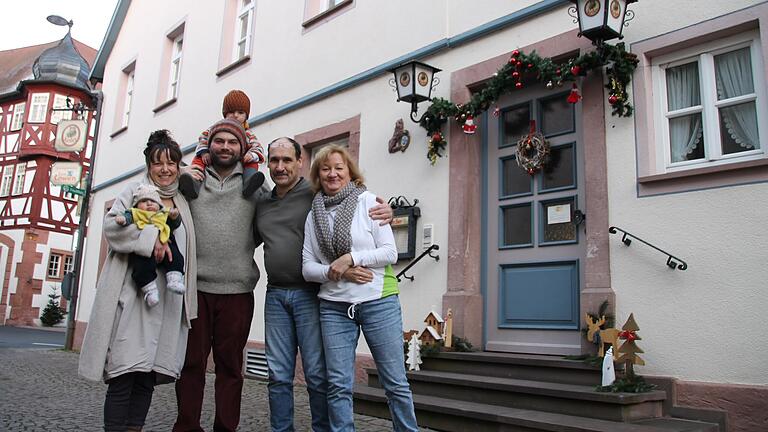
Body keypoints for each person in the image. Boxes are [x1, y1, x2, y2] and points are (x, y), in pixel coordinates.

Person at [253, 137, 392, 432]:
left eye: (287, 160)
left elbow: (355, 198)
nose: (280, 167)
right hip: (275, 293)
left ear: (299, 162)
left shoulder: (313, 194)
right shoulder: (261, 202)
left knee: (317, 374)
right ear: (267, 163)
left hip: (310, 295)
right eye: (274, 160)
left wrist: (387, 211)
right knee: (278, 374)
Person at [78, 130, 197, 432]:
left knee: (146, 376)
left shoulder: (182, 202)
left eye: (172, 163)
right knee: (123, 372)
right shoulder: (133, 191)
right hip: (131, 297)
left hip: (166, 301)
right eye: (159, 163)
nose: (166, 169)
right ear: (149, 165)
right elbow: (112, 228)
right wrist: (150, 237)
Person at [302, 145, 418, 431]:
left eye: (339, 167)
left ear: (349, 171)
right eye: (325, 169)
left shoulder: (369, 203)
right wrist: (339, 273)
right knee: (338, 385)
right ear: (318, 175)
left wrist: (351, 258)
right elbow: (307, 268)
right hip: (334, 307)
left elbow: (390, 252)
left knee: (395, 382)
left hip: (378, 301)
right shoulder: (312, 215)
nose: (332, 174)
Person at [173, 118, 261, 432]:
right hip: (195, 289)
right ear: (209, 145)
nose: (225, 147)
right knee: (191, 365)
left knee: (231, 368)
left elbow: (277, 216)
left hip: (237, 290)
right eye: (219, 141)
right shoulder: (192, 180)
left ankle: (226, 427)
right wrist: (180, 175)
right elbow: (159, 198)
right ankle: (186, 427)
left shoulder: (255, 184)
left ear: (242, 147)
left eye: (232, 142)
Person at [178, 89, 265, 199]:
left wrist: (251, 155)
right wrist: (204, 152)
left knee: (252, 163)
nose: (236, 115)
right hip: (211, 158)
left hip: (241, 160)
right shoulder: (215, 128)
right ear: (225, 113)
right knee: (198, 158)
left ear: (246, 116)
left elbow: (257, 146)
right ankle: (193, 182)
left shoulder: (248, 133)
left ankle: (249, 181)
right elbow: (203, 138)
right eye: (231, 112)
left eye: (240, 112)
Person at [115, 183, 185, 307]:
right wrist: (123, 219)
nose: (149, 204)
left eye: (153, 201)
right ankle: (150, 290)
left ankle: (174, 279)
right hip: (144, 249)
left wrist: (174, 217)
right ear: (137, 205)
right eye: (144, 201)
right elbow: (128, 217)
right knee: (142, 267)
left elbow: (174, 224)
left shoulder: (162, 214)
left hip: (166, 242)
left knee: (175, 257)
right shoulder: (136, 213)